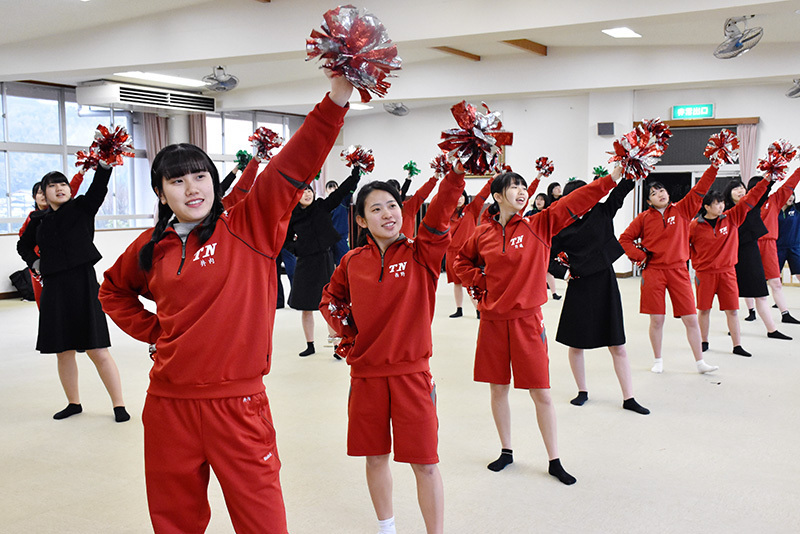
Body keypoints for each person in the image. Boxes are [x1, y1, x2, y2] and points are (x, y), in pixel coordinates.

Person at [98, 70, 352, 534]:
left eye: (200, 177)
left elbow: (293, 165)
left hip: (237, 404)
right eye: (177, 182)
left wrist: (335, 100)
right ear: (160, 192)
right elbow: (112, 290)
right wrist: (156, 333)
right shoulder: (150, 248)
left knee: (262, 522)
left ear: (214, 182)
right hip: (168, 405)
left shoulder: (249, 224)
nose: (192, 188)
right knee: (175, 522)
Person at [454, 168, 622, 486]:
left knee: (541, 393)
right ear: (497, 196)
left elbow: (577, 200)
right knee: (498, 389)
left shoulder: (539, 224)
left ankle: (554, 460)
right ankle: (506, 451)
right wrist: (479, 282)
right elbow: (460, 261)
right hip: (492, 323)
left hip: (527, 322)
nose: (520, 191)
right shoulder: (482, 233)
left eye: (522, 186)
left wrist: (611, 178)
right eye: (512, 187)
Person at [320, 165, 465, 534]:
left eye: (393, 206)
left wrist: (457, 174)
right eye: (376, 209)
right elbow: (330, 299)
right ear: (361, 220)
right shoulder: (352, 262)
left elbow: (440, 213)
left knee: (426, 463)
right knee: (375, 457)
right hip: (366, 376)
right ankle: (387, 528)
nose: (388, 214)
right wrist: (349, 333)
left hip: (411, 375)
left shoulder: (423, 255)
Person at [17, 164, 129, 423]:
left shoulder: (81, 208)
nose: (60, 188)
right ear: (43, 193)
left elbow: (98, 189)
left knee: (97, 349)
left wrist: (104, 166)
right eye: (53, 185)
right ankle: (73, 403)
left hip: (83, 284)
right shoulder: (39, 221)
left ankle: (119, 404)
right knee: (63, 351)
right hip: (55, 289)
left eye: (63, 184)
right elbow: (23, 245)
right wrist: (34, 264)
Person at [550, 174, 649, 414]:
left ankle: (629, 397)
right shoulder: (560, 226)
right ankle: (582, 391)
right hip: (579, 283)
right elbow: (545, 253)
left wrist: (631, 166)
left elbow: (622, 190)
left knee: (617, 343)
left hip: (605, 281)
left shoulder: (602, 212)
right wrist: (563, 274)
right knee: (575, 344)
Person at [619, 165, 720, 374]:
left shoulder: (683, 209)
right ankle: (658, 360)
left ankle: (700, 362)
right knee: (657, 319)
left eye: (661, 191)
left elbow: (701, 189)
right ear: (648, 201)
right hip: (653, 272)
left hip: (679, 271)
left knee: (691, 318)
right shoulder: (643, 218)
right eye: (653, 194)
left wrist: (715, 166)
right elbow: (624, 239)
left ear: (668, 193)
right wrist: (641, 257)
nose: (659, 195)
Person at [689, 179, 769, 357]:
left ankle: (737, 345)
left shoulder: (732, 218)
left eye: (722, 203)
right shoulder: (694, 226)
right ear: (707, 207)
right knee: (704, 310)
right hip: (705, 274)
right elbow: (683, 246)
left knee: (732, 310)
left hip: (727, 272)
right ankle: (704, 341)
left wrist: (767, 179)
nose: (721, 207)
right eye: (717, 204)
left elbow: (751, 198)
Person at [287, 166, 361, 356]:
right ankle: (310, 345)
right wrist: (297, 249)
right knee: (306, 307)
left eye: (310, 190)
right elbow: (284, 241)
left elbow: (340, 194)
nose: (307, 194)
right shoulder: (292, 216)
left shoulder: (321, 206)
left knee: (331, 305)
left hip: (324, 260)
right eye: (303, 191)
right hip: (305, 263)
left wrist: (355, 175)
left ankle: (337, 346)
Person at [725, 177, 792, 340]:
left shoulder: (752, 204)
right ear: (729, 195)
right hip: (732, 254)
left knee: (761, 294)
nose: (740, 191)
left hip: (751, 251)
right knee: (731, 298)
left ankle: (772, 330)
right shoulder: (725, 212)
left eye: (742, 188)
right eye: (735, 189)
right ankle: (735, 329)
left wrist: (770, 177)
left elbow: (762, 192)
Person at [19, 172, 87, 307]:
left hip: (64, 265)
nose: (43, 196)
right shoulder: (33, 217)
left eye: (45, 192)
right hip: (41, 265)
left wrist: (80, 175)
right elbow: (23, 242)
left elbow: (71, 188)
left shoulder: (62, 211)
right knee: (44, 302)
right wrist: (34, 260)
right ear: (34, 197)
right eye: (40, 193)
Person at [754, 166, 800, 323]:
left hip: (770, 244)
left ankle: (785, 313)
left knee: (775, 281)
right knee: (748, 282)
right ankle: (749, 312)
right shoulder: (746, 204)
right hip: (750, 246)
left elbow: (789, 185)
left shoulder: (773, 200)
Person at [445, 178, 491, 319]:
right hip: (451, 252)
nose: (459, 199)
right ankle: (459, 309)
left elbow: (483, 195)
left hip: (468, 252)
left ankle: (478, 308)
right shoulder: (448, 213)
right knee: (456, 283)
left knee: (470, 282)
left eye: (461, 196)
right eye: (456, 197)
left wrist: (492, 180)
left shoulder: (472, 209)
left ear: (465, 197)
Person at [400, 173, 439, 238]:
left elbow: (421, 194)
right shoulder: (382, 210)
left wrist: (434, 178)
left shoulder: (407, 208)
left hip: (406, 245)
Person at [326, 178, 353, 265]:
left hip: (341, 236)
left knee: (344, 260)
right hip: (328, 238)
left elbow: (352, 188)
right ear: (326, 191)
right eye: (330, 188)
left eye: (334, 187)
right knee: (329, 262)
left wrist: (357, 174)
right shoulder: (324, 204)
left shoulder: (343, 201)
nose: (332, 190)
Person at [777, 191, 800, 283]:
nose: (791, 198)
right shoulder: (774, 210)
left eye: (792, 195)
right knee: (773, 277)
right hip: (778, 248)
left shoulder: (797, 208)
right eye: (788, 195)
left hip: (795, 247)